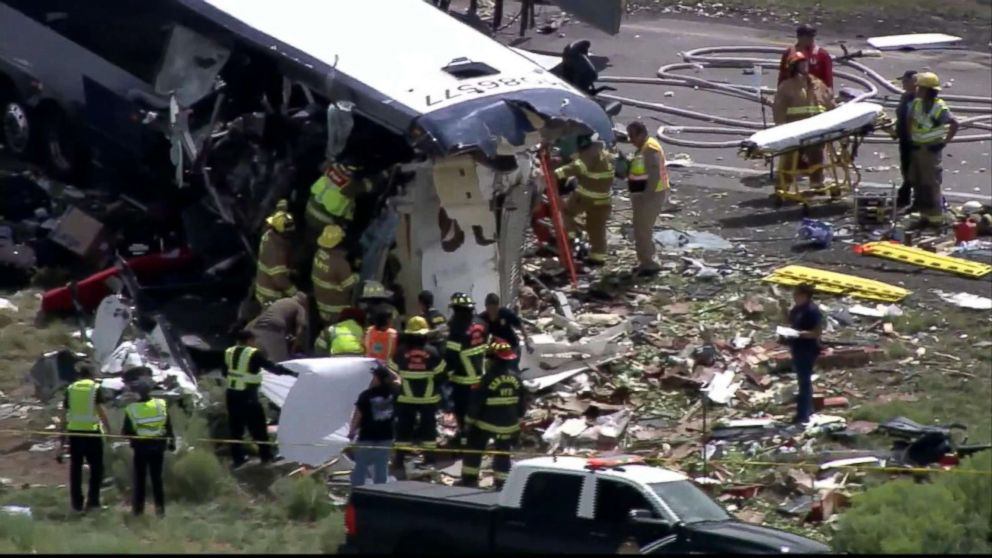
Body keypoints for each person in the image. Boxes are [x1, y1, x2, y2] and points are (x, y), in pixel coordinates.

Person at [461, 341, 525, 489]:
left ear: (493, 359)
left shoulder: (485, 379)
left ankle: (470, 480)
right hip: (508, 425)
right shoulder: (516, 378)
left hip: (485, 424)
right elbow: (522, 404)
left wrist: (468, 423)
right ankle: (502, 482)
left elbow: (476, 404)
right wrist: (518, 421)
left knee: (474, 448)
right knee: (503, 453)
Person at [223, 330, 291, 468]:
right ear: (249, 340)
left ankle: (238, 459)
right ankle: (266, 457)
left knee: (236, 428)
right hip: (248, 396)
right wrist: (290, 372)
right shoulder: (253, 353)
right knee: (258, 427)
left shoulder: (229, 352)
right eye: (253, 340)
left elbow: (225, 372)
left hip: (231, 395)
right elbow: (272, 368)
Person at [389, 316, 446, 474]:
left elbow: (391, 372)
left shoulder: (400, 352)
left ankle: (400, 459)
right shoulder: (432, 352)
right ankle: (430, 459)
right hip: (428, 398)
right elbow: (441, 374)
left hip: (405, 397)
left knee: (404, 428)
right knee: (428, 428)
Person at [773, 52, 836, 190]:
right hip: (793, 130)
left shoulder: (817, 84)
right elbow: (779, 107)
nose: (805, 66)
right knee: (789, 157)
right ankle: (783, 185)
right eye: (801, 64)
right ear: (794, 67)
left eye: (806, 63)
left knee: (817, 157)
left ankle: (817, 184)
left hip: (815, 130)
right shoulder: (787, 86)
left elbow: (828, 102)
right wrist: (780, 127)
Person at [908, 72, 959, 229]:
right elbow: (910, 120)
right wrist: (910, 139)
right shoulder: (917, 104)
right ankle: (924, 213)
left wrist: (943, 143)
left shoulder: (939, 107)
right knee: (918, 182)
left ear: (928, 90)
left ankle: (935, 216)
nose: (917, 90)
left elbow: (954, 123)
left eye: (920, 88)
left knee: (932, 183)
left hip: (931, 150)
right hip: (917, 148)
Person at [555, 133, 616, 266]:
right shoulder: (606, 153)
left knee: (566, 212)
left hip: (586, 197)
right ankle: (598, 257)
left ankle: (572, 236)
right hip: (604, 200)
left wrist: (556, 173)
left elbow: (577, 167)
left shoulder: (590, 153)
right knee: (596, 229)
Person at [61, 362, 110, 513]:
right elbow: (101, 410)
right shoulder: (94, 388)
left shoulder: (71, 389)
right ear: (91, 375)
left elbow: (64, 414)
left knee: (75, 469)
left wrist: (62, 434)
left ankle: (77, 504)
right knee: (96, 469)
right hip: (92, 433)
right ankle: (93, 502)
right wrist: (109, 429)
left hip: (75, 433)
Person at [122, 379, 175, 517]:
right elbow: (168, 425)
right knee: (157, 479)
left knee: (140, 480)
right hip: (158, 446)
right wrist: (171, 441)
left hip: (141, 448)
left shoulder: (132, 409)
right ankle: (160, 511)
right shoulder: (160, 404)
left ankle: (138, 511)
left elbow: (126, 432)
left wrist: (133, 437)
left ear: (138, 393)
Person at [625, 121, 671, 276]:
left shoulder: (650, 149)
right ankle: (646, 261)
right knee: (640, 229)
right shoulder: (644, 148)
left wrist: (645, 197)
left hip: (651, 196)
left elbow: (654, 175)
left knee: (643, 230)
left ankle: (650, 264)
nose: (630, 140)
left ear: (642, 134)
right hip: (646, 195)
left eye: (632, 136)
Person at [445, 292, 490, 443]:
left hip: (463, 381)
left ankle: (465, 440)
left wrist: (444, 375)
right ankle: (480, 437)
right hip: (481, 376)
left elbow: (452, 358)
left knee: (462, 412)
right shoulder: (482, 323)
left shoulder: (456, 329)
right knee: (479, 410)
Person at [348, 364, 399, 486]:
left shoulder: (366, 395)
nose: (372, 379)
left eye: (374, 377)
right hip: (386, 437)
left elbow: (357, 415)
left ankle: (357, 492)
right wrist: (386, 368)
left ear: (378, 379)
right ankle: (380, 493)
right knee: (381, 468)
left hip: (367, 437)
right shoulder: (393, 392)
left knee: (360, 467)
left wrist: (351, 431)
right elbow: (398, 379)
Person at [304, 161, 370, 249]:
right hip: (324, 221)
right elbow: (370, 186)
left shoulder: (332, 166)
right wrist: (384, 175)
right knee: (327, 243)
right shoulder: (352, 184)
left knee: (309, 239)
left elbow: (322, 166)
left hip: (309, 211)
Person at [783, 284, 823, 425]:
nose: (794, 297)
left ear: (805, 295)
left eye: (797, 294)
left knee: (804, 382)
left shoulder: (813, 311)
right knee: (801, 380)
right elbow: (791, 323)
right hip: (796, 348)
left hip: (808, 350)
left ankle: (803, 415)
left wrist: (798, 334)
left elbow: (816, 333)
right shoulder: (796, 309)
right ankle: (808, 410)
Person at [312, 224, 359, 326]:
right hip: (337, 311)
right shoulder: (340, 264)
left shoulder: (318, 254)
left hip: (321, 306)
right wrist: (357, 276)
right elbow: (349, 286)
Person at [254, 201, 298, 307]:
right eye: (288, 233)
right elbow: (279, 279)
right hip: (272, 296)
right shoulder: (277, 250)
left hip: (263, 284)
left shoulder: (269, 232)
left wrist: (282, 204)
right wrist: (296, 293)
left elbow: (279, 215)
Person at [246, 292, 309, 362]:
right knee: (280, 364)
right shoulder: (299, 307)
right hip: (271, 329)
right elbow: (300, 329)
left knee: (249, 361)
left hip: (252, 328)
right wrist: (294, 348)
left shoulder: (281, 301)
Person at [479, 293, 532, 365]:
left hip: (511, 344)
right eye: (489, 309)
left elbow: (519, 324)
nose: (492, 312)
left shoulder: (505, 313)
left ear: (498, 306)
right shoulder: (483, 318)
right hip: (496, 346)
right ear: (486, 307)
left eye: (494, 309)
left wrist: (526, 340)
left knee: (511, 367)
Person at [778, 24, 833, 91]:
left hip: (814, 92)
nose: (811, 39)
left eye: (812, 36)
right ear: (799, 37)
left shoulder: (822, 54)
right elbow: (782, 75)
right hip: (792, 92)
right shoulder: (789, 53)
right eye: (807, 37)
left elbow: (828, 79)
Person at [894, 71, 919, 210]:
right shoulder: (905, 97)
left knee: (915, 170)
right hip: (904, 139)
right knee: (906, 168)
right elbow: (901, 117)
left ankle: (915, 199)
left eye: (905, 81)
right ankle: (905, 195)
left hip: (915, 141)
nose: (903, 84)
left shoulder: (919, 100)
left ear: (913, 82)